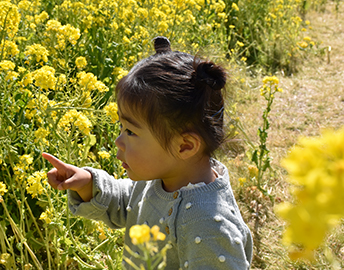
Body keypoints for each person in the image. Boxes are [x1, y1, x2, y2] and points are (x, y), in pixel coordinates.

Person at [42, 36, 253, 269]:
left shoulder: (208, 225)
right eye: (121, 128)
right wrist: (87, 184)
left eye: (131, 132)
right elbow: (131, 202)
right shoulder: (163, 179)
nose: (118, 141)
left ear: (185, 146)